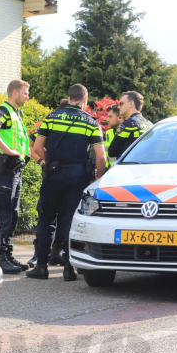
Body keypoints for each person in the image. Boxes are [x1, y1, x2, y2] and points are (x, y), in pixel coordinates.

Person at [27, 84, 106, 281]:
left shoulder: (52, 117)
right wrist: (98, 178)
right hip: (78, 176)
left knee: (46, 219)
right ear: (84, 100)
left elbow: (36, 148)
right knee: (70, 220)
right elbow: (101, 157)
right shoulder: (91, 121)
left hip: (54, 174)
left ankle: (42, 267)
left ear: (69, 97)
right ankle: (69, 268)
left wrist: (44, 163)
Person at [0, 79, 31, 274]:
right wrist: (9, 151)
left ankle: (7, 253)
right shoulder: (4, 111)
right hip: (5, 168)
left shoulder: (17, 113)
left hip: (15, 169)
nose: (28, 96)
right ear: (14, 93)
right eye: (25, 93)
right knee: (4, 214)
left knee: (13, 213)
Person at [27, 98, 70, 268]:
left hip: (60, 177)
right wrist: (43, 162)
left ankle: (55, 254)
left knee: (58, 217)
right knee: (47, 216)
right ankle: (40, 254)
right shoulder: (51, 122)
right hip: (53, 176)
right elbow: (31, 145)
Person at [108, 92, 152, 160]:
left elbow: (112, 152)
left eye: (121, 104)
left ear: (131, 103)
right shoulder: (150, 124)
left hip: (129, 167)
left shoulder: (128, 124)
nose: (119, 107)